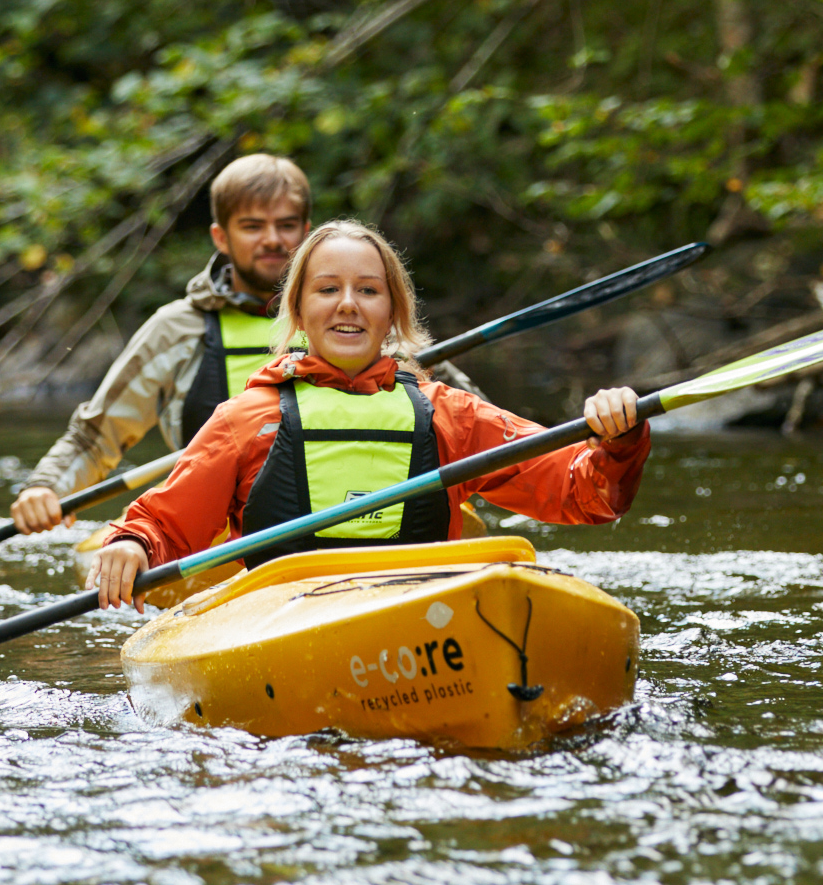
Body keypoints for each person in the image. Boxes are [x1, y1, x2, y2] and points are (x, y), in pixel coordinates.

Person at [83, 220, 648, 605]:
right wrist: (131, 545)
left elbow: (584, 493)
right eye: (328, 289)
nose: (349, 304)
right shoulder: (246, 420)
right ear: (298, 310)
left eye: (369, 291)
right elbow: (164, 524)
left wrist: (618, 439)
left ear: (394, 313)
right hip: (285, 622)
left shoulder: (448, 416)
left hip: (417, 616)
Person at [8, 153, 310, 537]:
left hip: (317, 528)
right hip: (207, 539)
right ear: (221, 237)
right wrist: (45, 487)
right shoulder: (177, 329)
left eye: (286, 225)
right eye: (252, 226)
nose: (272, 240)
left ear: (306, 232)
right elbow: (95, 437)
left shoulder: (345, 322)